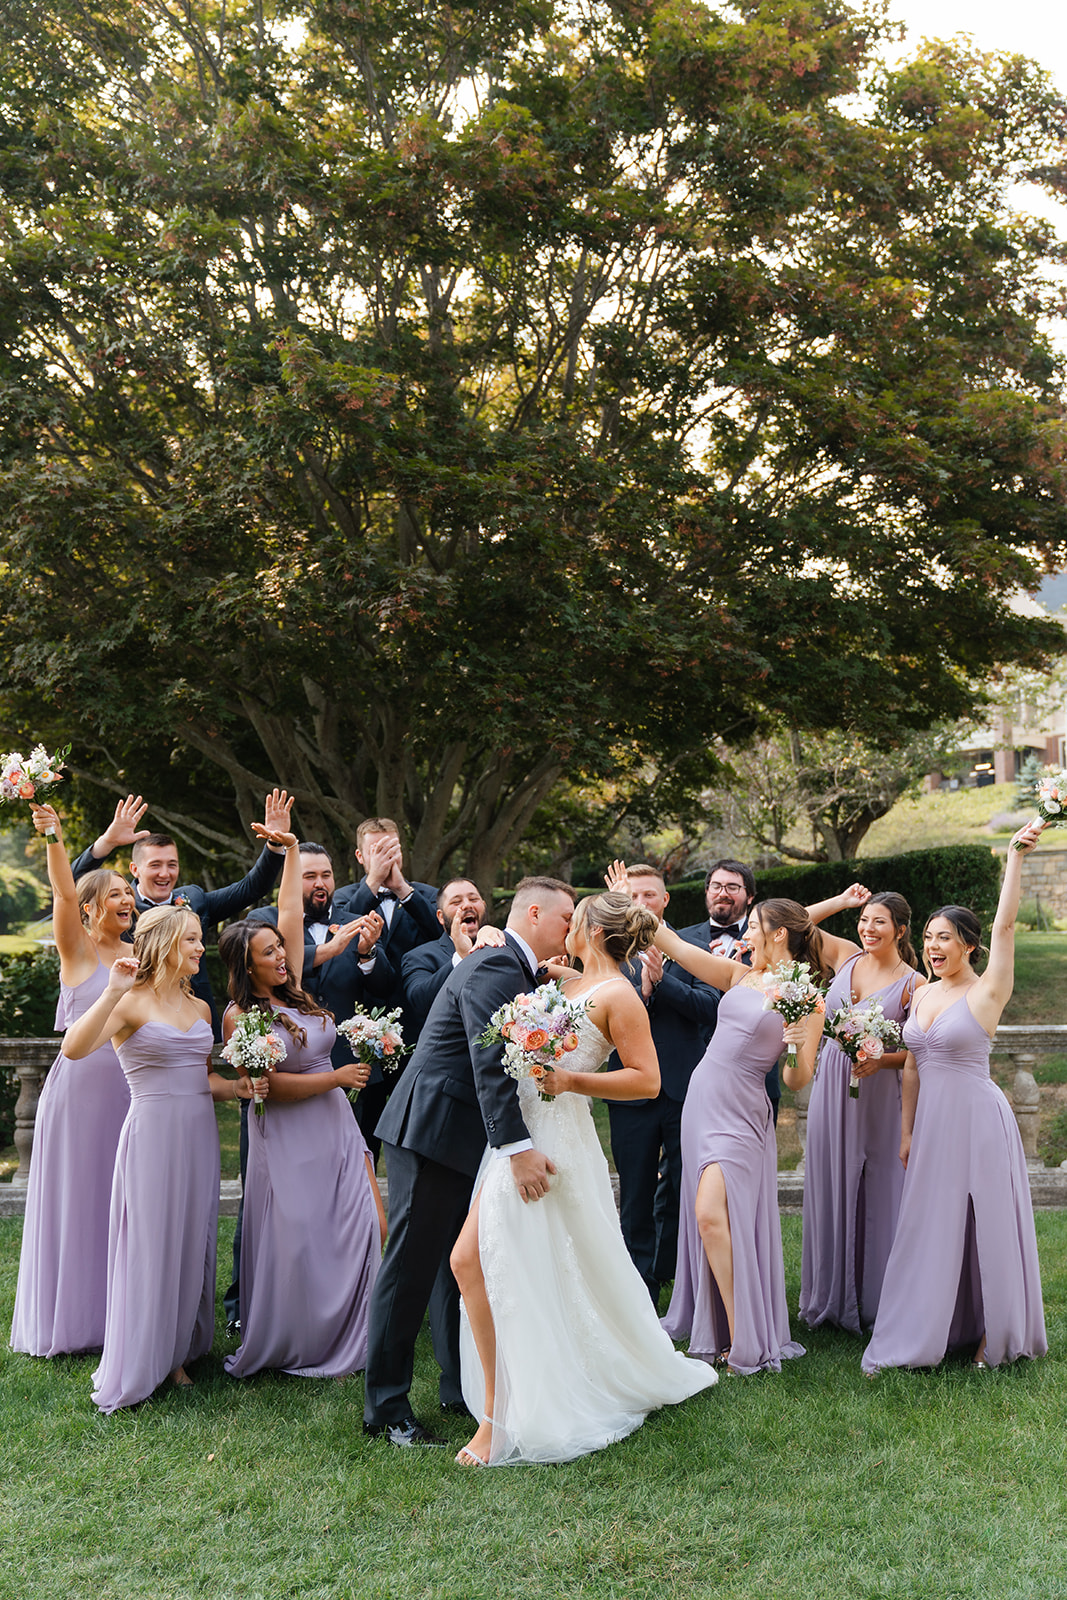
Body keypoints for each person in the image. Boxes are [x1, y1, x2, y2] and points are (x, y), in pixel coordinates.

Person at [451, 890, 718, 1467]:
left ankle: (497, 1421)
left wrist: (574, 1083)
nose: (567, 924)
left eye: (577, 918)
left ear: (595, 932)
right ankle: (516, 1396)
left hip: (555, 1140)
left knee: (478, 1260)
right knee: (494, 1263)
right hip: (519, 1138)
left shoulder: (620, 995)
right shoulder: (563, 983)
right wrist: (488, 939)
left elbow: (647, 1081)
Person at [362, 877, 575, 1448]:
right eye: (565, 917)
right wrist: (517, 1147)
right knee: (407, 1269)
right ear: (534, 912)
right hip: (432, 1128)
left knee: (445, 1262)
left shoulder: (511, 965)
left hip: (451, 1133)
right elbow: (489, 1057)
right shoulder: (498, 966)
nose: (571, 930)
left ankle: (455, 1387)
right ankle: (385, 1408)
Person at [862, 825, 1048, 1374]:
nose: (933, 947)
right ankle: (933, 1328)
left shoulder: (988, 991)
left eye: (945, 938)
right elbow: (914, 1065)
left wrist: (1014, 856)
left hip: (978, 1118)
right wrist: (906, 1131)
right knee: (929, 1224)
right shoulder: (921, 992)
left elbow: (1006, 924)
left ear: (968, 945)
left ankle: (998, 1334)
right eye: (928, 938)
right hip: (932, 1127)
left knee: (987, 1222)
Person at [60, 904, 257, 1412]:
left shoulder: (200, 1010)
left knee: (192, 1236)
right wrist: (110, 991)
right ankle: (147, 1353)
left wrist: (236, 1086)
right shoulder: (128, 1001)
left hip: (198, 1135)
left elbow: (200, 1077)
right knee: (152, 1240)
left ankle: (178, 1350)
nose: (200, 949)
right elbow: (75, 1050)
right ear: (168, 942)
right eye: (192, 940)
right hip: (151, 1135)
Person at [640, 873, 832, 1374]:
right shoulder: (743, 976)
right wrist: (630, 904)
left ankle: (743, 1332)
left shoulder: (809, 998)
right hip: (703, 1101)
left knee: (709, 1213)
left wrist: (793, 1042)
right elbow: (676, 947)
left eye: (754, 928)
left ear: (778, 934)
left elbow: (796, 1080)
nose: (745, 935)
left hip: (744, 1111)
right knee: (706, 1214)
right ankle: (723, 1324)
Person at [220, 825, 387, 1381]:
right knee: (299, 1238)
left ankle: (360, 1330)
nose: (284, 956)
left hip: (335, 1124)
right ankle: (301, 1337)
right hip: (289, 1134)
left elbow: (289, 913)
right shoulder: (242, 1018)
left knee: (360, 1223)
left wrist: (290, 852)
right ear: (249, 966)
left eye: (279, 948)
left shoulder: (296, 992)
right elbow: (272, 1089)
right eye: (270, 953)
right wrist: (336, 1076)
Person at [10, 806, 134, 1357]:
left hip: (133, 1091)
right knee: (80, 1199)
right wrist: (57, 836)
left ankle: (124, 1316)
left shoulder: (141, 954)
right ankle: (74, 1322)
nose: (129, 899)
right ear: (91, 908)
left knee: (124, 1200)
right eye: (117, 893)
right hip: (81, 1094)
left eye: (130, 892)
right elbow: (61, 895)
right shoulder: (78, 950)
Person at [70, 790, 295, 1036]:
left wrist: (275, 843)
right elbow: (69, 888)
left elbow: (250, 889)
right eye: (155, 865)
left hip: (196, 1015)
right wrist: (107, 843)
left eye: (172, 865)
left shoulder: (194, 899)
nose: (165, 874)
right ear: (135, 869)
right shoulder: (120, 907)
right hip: (139, 1023)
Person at [800, 892, 925, 1334]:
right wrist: (841, 902)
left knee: (877, 1186)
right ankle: (829, 1296)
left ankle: (875, 1299)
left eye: (880, 923)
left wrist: (880, 1058)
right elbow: (797, 921)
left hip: (878, 1094)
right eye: (865, 921)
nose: (868, 929)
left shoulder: (915, 984)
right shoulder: (847, 956)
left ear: (901, 930)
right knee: (830, 1178)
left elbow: (918, 1053)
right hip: (832, 1083)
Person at [603, 865, 719, 1304]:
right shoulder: (612, 951)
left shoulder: (693, 948)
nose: (641, 904)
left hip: (683, 1089)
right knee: (635, 1193)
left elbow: (710, 1007)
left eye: (649, 895)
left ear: (665, 900)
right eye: (632, 897)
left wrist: (664, 983)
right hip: (632, 1093)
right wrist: (643, 988)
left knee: (684, 1191)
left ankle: (687, 1286)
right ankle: (641, 1292)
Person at [334, 818, 439, 1155]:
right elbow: (338, 939)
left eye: (392, 849)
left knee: (420, 1141)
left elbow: (444, 940)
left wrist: (403, 891)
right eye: (377, 851)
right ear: (360, 856)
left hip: (419, 1035)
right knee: (362, 1140)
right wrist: (374, 883)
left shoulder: (426, 897)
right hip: (362, 1041)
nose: (387, 857)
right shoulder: (345, 899)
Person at [401, 878, 505, 1040]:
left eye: (473, 899)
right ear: (441, 917)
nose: (467, 905)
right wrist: (461, 958)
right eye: (456, 902)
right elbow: (419, 1002)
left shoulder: (502, 948)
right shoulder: (419, 956)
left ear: (484, 906)